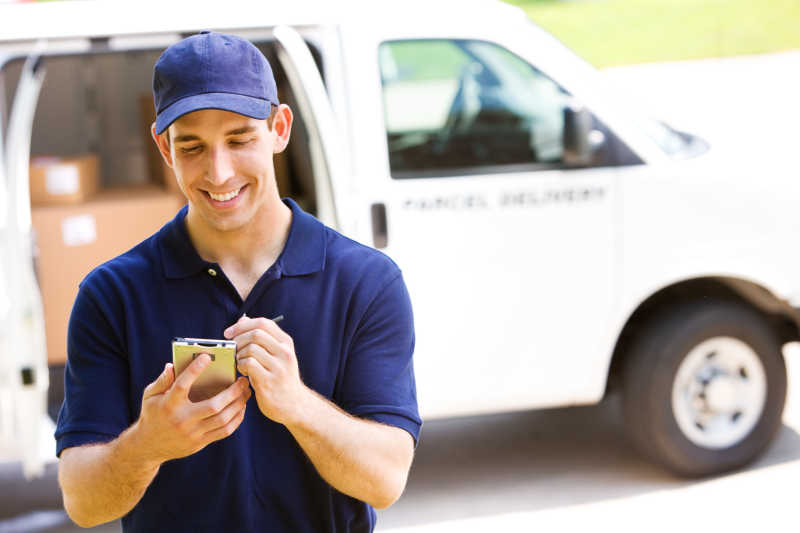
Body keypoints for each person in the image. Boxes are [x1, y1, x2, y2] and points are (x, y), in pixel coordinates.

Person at [54, 31, 420, 532]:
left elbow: (385, 481)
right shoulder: (111, 296)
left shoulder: (364, 282)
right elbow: (83, 502)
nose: (219, 172)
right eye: (192, 146)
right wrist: (148, 445)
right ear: (164, 148)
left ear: (279, 129)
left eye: (240, 138)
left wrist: (297, 405)